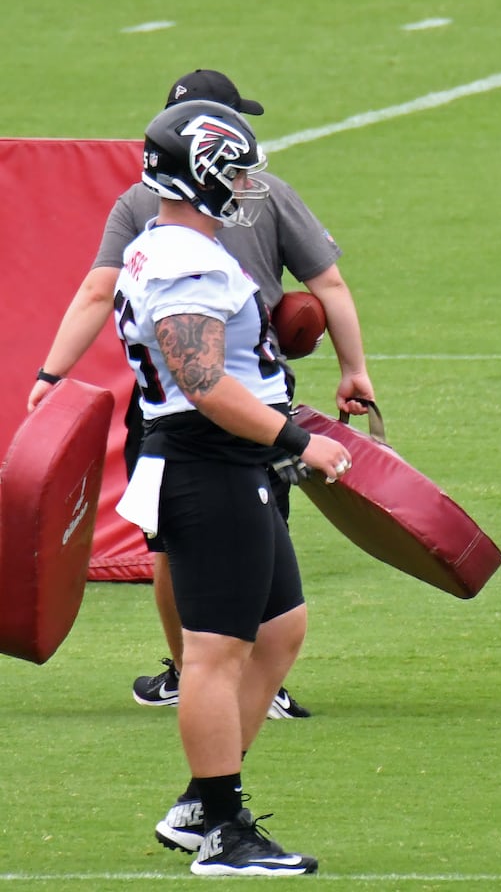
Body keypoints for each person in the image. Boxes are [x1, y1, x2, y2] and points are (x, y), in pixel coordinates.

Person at [27, 69, 374, 720]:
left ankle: (194, 673)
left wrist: (50, 374)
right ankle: (219, 690)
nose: (243, 179)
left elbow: (98, 291)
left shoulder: (144, 218)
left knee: (175, 553)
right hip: (226, 420)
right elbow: (318, 293)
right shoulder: (198, 252)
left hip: (166, 415)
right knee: (248, 562)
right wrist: (344, 379)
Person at [113, 99, 350, 873]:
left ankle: (201, 802)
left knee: (280, 629)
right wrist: (297, 440)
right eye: (236, 171)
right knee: (214, 653)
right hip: (207, 462)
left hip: (222, 460)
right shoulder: (187, 261)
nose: (247, 184)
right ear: (201, 174)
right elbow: (204, 382)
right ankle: (222, 828)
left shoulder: (163, 245)